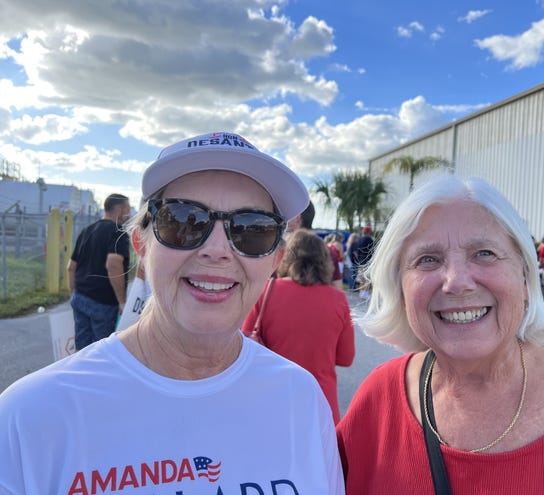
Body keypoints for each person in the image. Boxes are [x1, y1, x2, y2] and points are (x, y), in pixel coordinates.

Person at [0, 132, 344, 494]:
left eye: (251, 229)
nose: (217, 250)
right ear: (141, 245)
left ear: (275, 260)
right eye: (183, 221)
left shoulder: (300, 400)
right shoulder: (31, 419)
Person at [336, 175, 544, 494]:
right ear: (401, 289)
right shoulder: (377, 402)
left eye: (484, 253)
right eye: (428, 259)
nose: (457, 281)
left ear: (524, 276)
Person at [243, 229, 355, 424]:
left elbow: (243, 347)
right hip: (320, 403)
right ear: (324, 260)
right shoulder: (338, 300)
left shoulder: (266, 291)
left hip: (270, 400)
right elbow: (346, 358)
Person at [67, 193, 131, 350]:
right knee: (100, 351)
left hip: (80, 296)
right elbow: (113, 265)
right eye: (128, 209)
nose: (129, 214)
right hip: (102, 303)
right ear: (120, 209)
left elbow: (71, 266)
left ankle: (81, 374)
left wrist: (73, 293)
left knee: (81, 349)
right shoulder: (118, 232)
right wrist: (122, 302)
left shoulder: (87, 231)